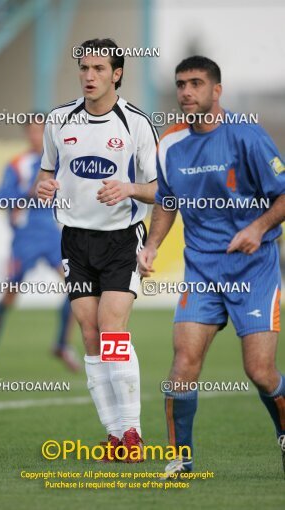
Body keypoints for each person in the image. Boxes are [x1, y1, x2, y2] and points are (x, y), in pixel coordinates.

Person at [138, 56, 285, 477]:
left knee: (259, 371)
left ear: (216, 91)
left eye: (197, 84)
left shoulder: (247, 137)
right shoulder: (171, 144)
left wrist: (257, 227)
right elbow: (167, 200)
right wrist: (152, 246)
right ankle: (180, 459)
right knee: (183, 363)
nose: (187, 92)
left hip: (253, 269)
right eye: (181, 84)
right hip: (201, 271)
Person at [36, 38, 158, 462]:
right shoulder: (58, 120)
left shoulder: (136, 124)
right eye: (84, 68)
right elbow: (47, 172)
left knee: (112, 331)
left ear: (117, 73)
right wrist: (44, 186)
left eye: (99, 69)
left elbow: (160, 189)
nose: (89, 76)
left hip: (121, 239)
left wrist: (127, 187)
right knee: (90, 335)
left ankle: (133, 434)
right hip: (75, 238)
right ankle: (113, 436)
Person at [0, 116, 81, 380]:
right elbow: (1, 197)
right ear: (27, 134)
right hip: (24, 239)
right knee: (9, 297)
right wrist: (28, 194)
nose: (37, 135)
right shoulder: (18, 164)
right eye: (33, 131)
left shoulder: (59, 163)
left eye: (41, 131)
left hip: (51, 236)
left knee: (76, 288)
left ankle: (61, 344)